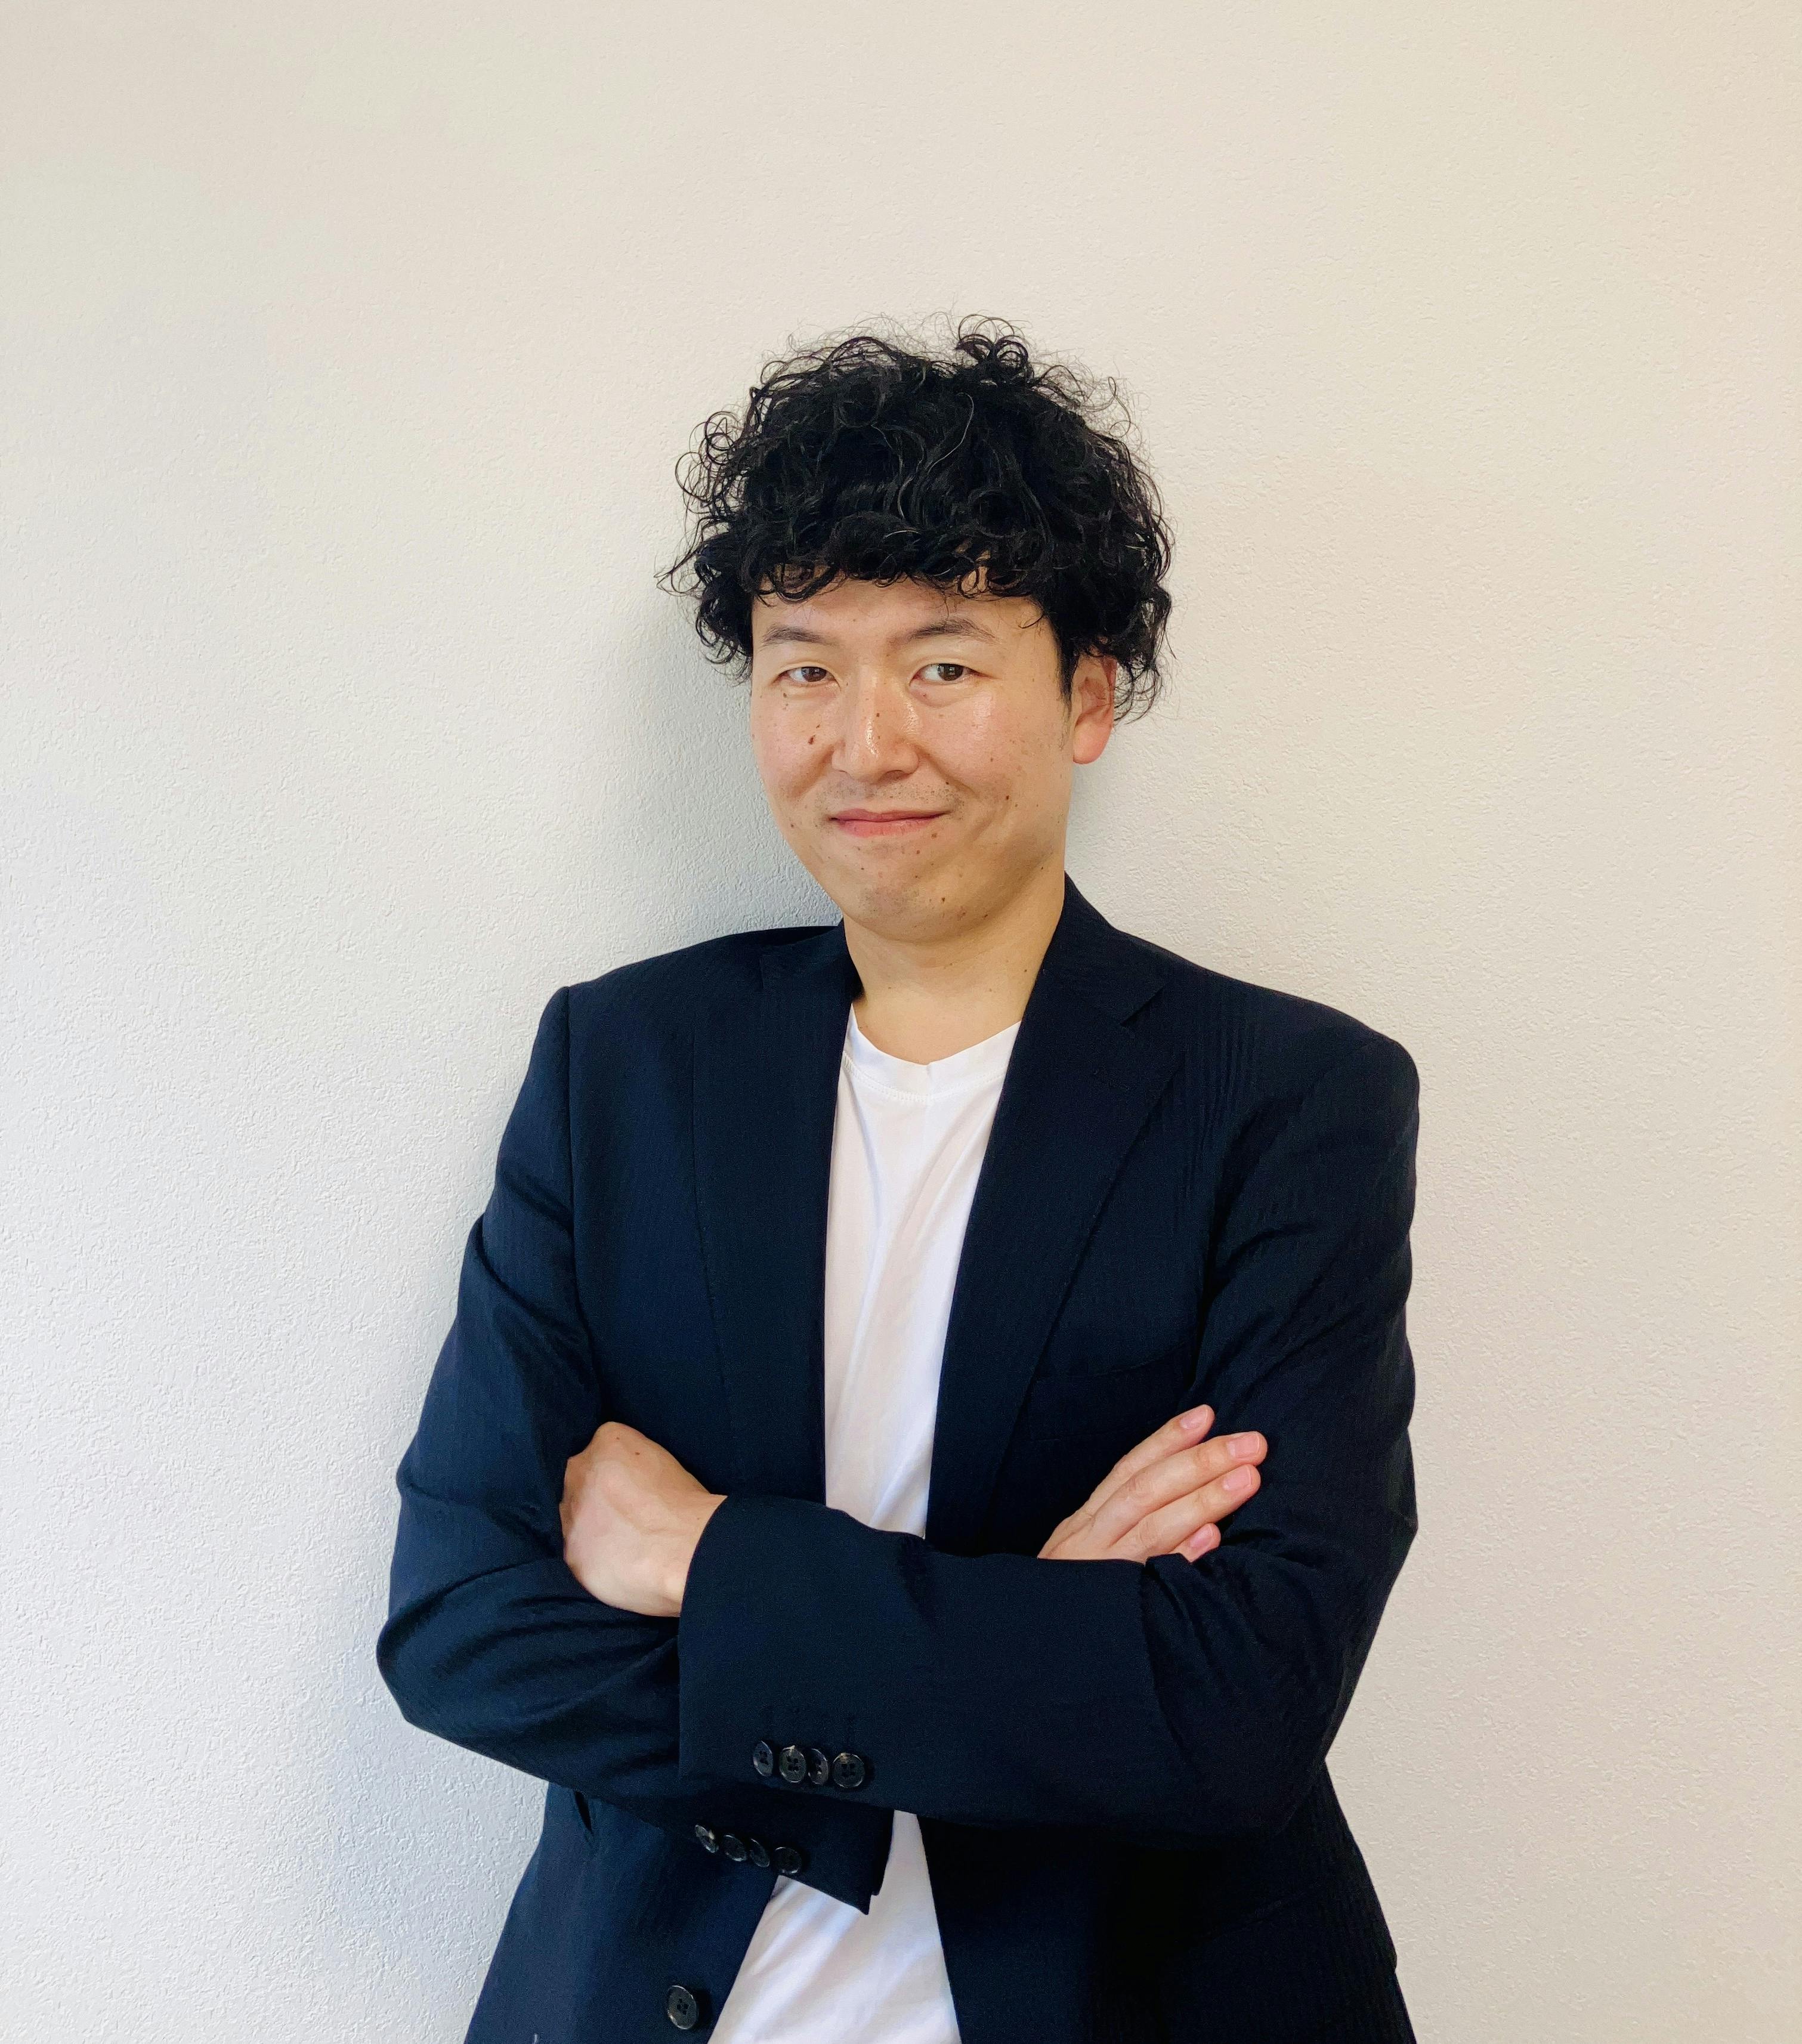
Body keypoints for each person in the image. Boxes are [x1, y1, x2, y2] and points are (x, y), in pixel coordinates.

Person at [378, 318, 1422, 2044]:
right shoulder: (624, 1068)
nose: (864, 743)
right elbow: (463, 1624)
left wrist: (716, 1562)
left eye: (943, 664)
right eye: (804, 668)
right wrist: (1040, 1641)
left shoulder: (1284, 1102)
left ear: (1088, 694)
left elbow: (1239, 1703)